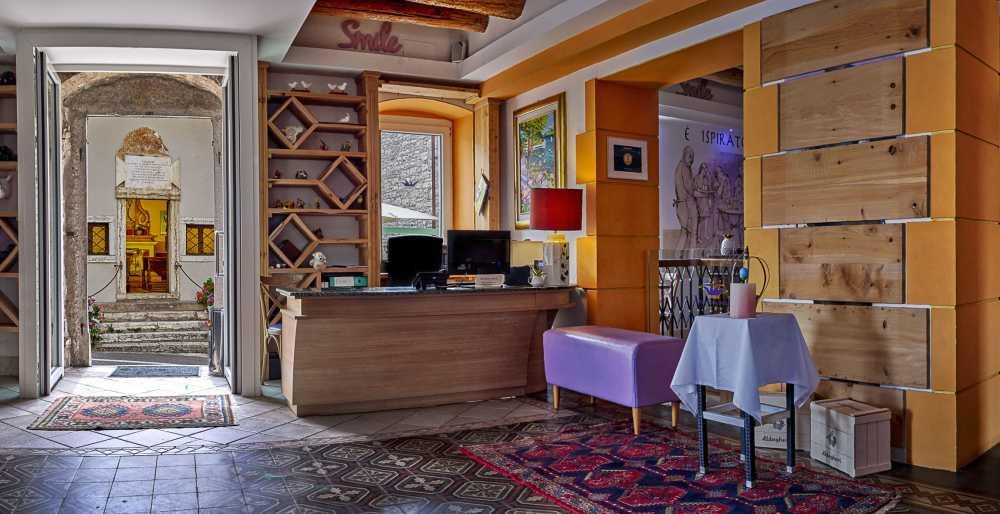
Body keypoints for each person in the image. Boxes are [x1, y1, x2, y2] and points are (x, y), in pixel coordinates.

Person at [673, 146, 697, 251]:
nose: (691, 159)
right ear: (684, 155)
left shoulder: (679, 167)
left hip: (681, 205)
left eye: (692, 157)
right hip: (686, 205)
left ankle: (678, 257)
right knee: (693, 232)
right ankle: (693, 258)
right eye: (690, 156)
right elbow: (690, 188)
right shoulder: (684, 168)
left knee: (684, 232)